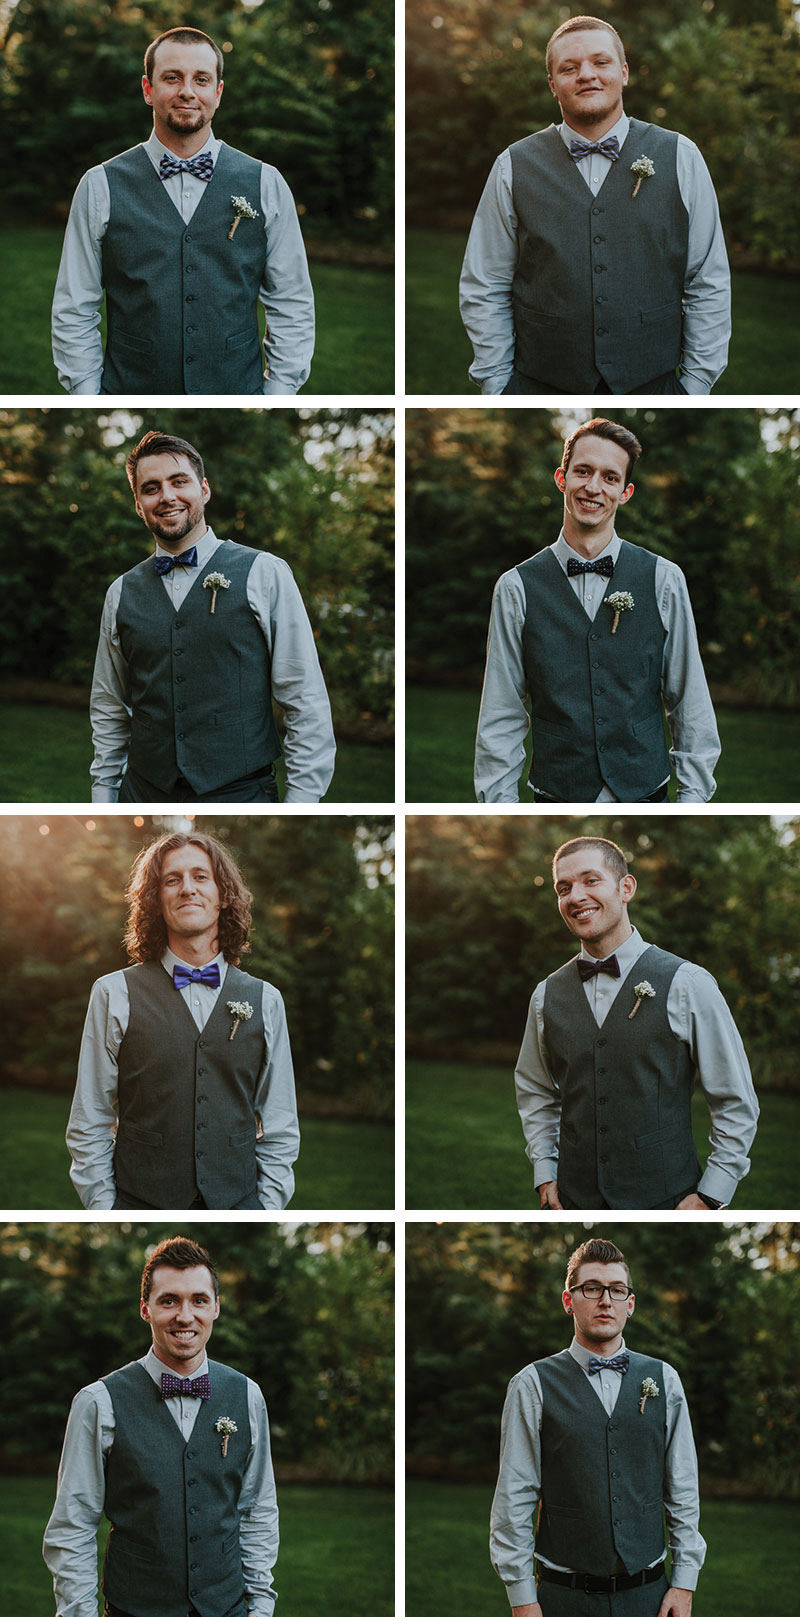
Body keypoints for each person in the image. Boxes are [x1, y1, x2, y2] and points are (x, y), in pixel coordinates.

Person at [460, 15, 730, 395]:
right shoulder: (512, 166)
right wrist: (496, 382)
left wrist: (697, 385)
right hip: (538, 384)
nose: (586, 74)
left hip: (655, 383)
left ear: (623, 72)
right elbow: (485, 283)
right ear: (553, 85)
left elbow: (708, 279)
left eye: (600, 62)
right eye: (569, 68)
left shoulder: (681, 156)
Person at [52, 25, 314, 395]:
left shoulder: (266, 183)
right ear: (148, 89)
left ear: (218, 93)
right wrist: (84, 391)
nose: (187, 91)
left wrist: (281, 391)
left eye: (201, 80)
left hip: (237, 389)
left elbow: (292, 300)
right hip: (130, 388)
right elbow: (74, 306)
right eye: (172, 78)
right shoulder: (99, 185)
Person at [474, 417, 719, 804]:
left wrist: (693, 799)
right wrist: (500, 804)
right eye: (583, 472)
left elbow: (689, 699)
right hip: (557, 792)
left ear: (625, 492)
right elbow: (501, 711)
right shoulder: (516, 587)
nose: (593, 487)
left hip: (646, 789)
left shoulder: (664, 579)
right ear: (561, 478)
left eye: (610, 477)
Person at [90, 429, 335, 803]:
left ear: (203, 489)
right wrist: (104, 797)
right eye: (151, 488)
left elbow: (303, 695)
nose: (167, 496)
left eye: (179, 481)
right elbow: (109, 708)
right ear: (139, 504)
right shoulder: (120, 593)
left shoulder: (264, 572)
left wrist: (302, 802)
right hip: (142, 792)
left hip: (241, 792)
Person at [516, 835, 758, 1211]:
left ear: (625, 887)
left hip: (667, 1198)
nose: (575, 896)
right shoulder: (545, 995)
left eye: (590, 880)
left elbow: (735, 1099)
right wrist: (545, 1170)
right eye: (563, 888)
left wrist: (712, 1194)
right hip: (571, 1201)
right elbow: (535, 1090)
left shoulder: (688, 982)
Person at [43, 1236, 279, 1617]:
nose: (185, 1316)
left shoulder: (248, 1395)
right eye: (169, 1300)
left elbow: (257, 1508)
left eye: (199, 1300)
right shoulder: (98, 1401)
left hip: (229, 1608)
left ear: (216, 1307)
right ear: (145, 1309)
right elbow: (73, 1525)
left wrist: (261, 1604)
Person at [67, 830, 300, 1210]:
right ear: (156, 901)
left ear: (223, 894)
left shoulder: (266, 1000)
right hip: (138, 1200)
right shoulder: (113, 994)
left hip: (239, 1203)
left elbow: (280, 1123)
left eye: (200, 876)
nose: (187, 888)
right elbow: (90, 1118)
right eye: (171, 880)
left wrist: (265, 1208)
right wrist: (103, 1206)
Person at [490, 1237, 705, 1617]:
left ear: (630, 1304)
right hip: (563, 1598)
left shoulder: (664, 1379)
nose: (606, 1300)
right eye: (592, 1288)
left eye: (617, 1290)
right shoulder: (532, 1383)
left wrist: (684, 1582)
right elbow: (515, 1496)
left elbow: (683, 1488)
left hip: (650, 1597)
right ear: (568, 1300)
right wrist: (523, 1599)